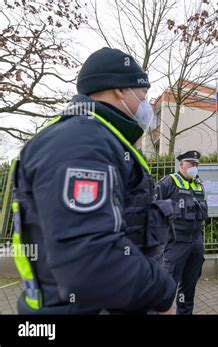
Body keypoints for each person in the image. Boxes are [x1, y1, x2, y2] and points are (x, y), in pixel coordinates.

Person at [11, 47, 177, 314]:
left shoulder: (98, 137)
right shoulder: (80, 142)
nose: (146, 105)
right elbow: (90, 262)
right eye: (144, 96)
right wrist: (163, 293)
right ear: (120, 90)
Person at [157, 150, 207, 315]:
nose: (194, 167)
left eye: (197, 165)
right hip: (176, 243)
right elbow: (153, 207)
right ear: (182, 165)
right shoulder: (169, 181)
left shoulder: (198, 184)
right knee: (167, 286)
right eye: (191, 164)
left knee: (189, 285)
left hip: (196, 242)